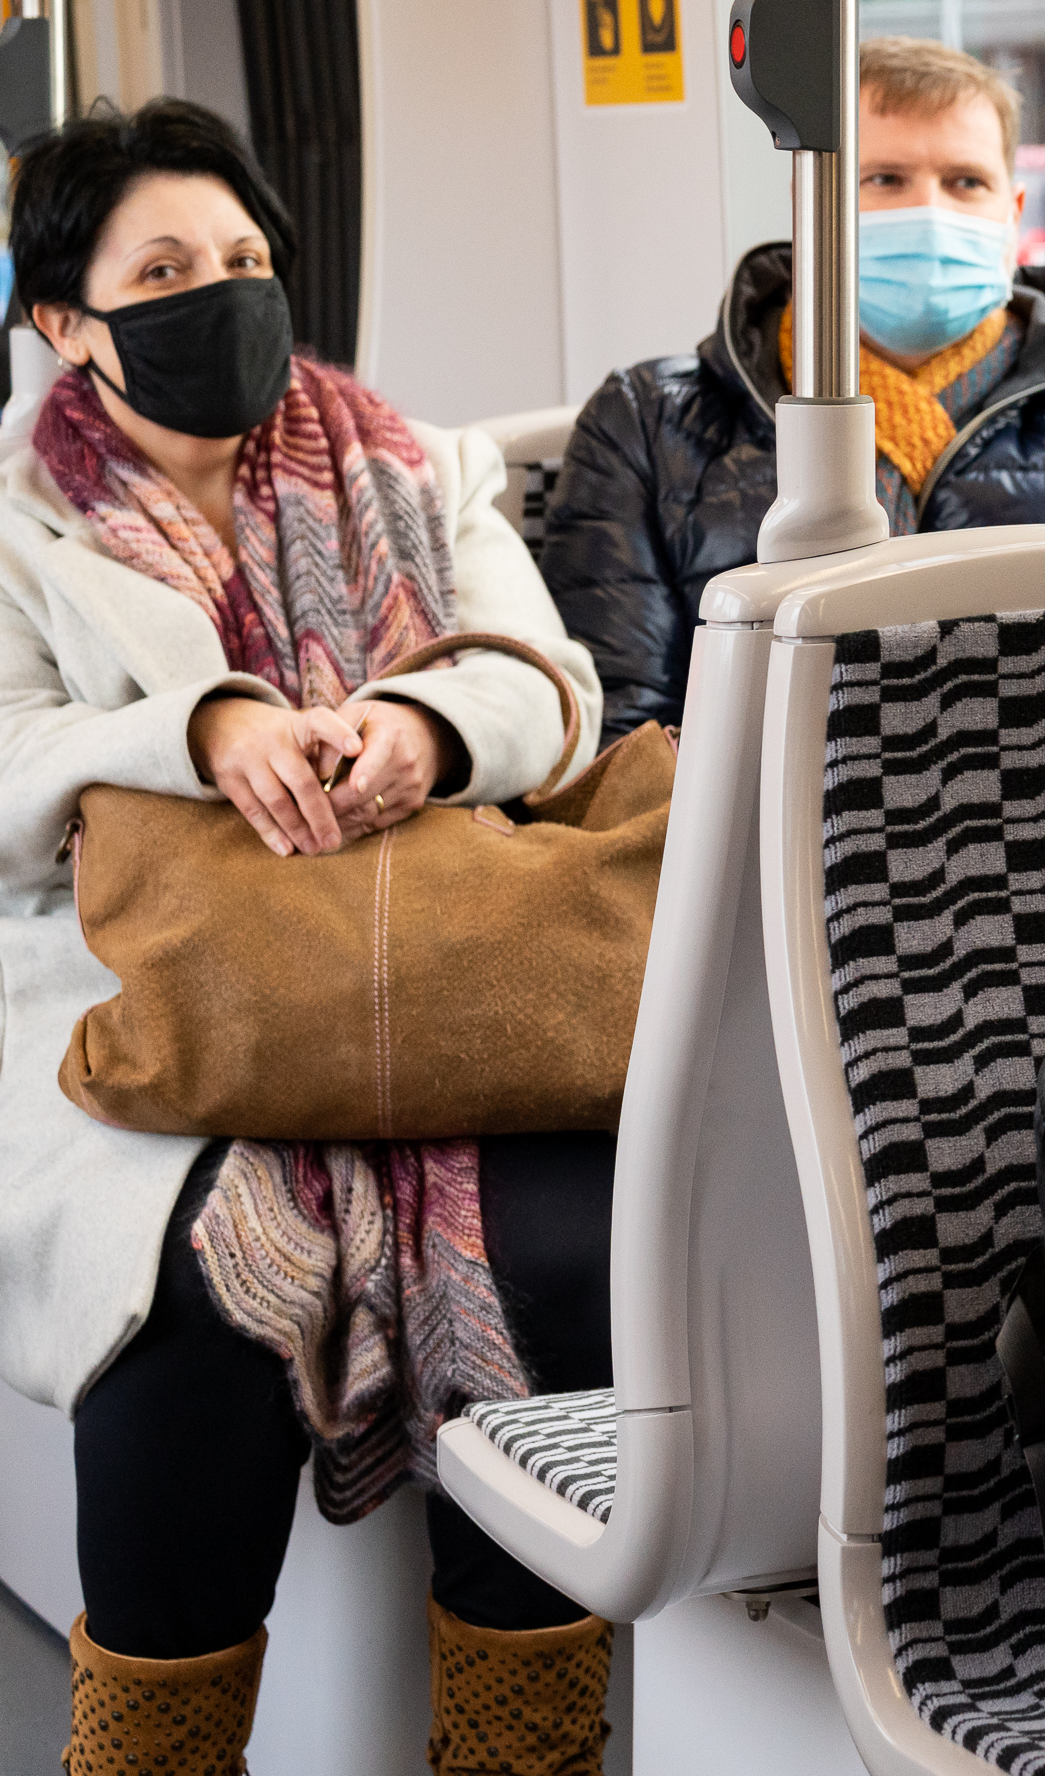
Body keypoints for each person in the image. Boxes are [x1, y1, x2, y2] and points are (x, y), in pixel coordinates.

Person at [0, 100, 618, 1774]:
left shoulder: (421, 467)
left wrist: (419, 727)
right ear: (65, 321)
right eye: (170, 269)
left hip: (438, 977)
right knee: (204, 1288)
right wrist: (198, 732)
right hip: (139, 1004)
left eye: (250, 261)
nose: (226, 294)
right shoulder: (14, 522)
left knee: (566, 1253)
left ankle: (518, 1743)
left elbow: (546, 684)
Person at [544, 36, 1045, 740]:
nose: (931, 211)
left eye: (966, 182)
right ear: (811, 202)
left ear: (1013, 209)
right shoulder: (646, 424)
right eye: (885, 179)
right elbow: (619, 739)